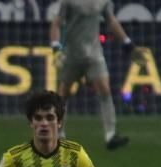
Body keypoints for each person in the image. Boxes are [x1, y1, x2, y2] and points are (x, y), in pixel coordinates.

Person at [50, 0, 136, 150]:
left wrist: (126, 41)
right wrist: (56, 47)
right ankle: (58, 135)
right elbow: (56, 23)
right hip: (71, 53)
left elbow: (111, 21)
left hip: (94, 53)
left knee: (104, 89)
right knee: (63, 93)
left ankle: (111, 135)